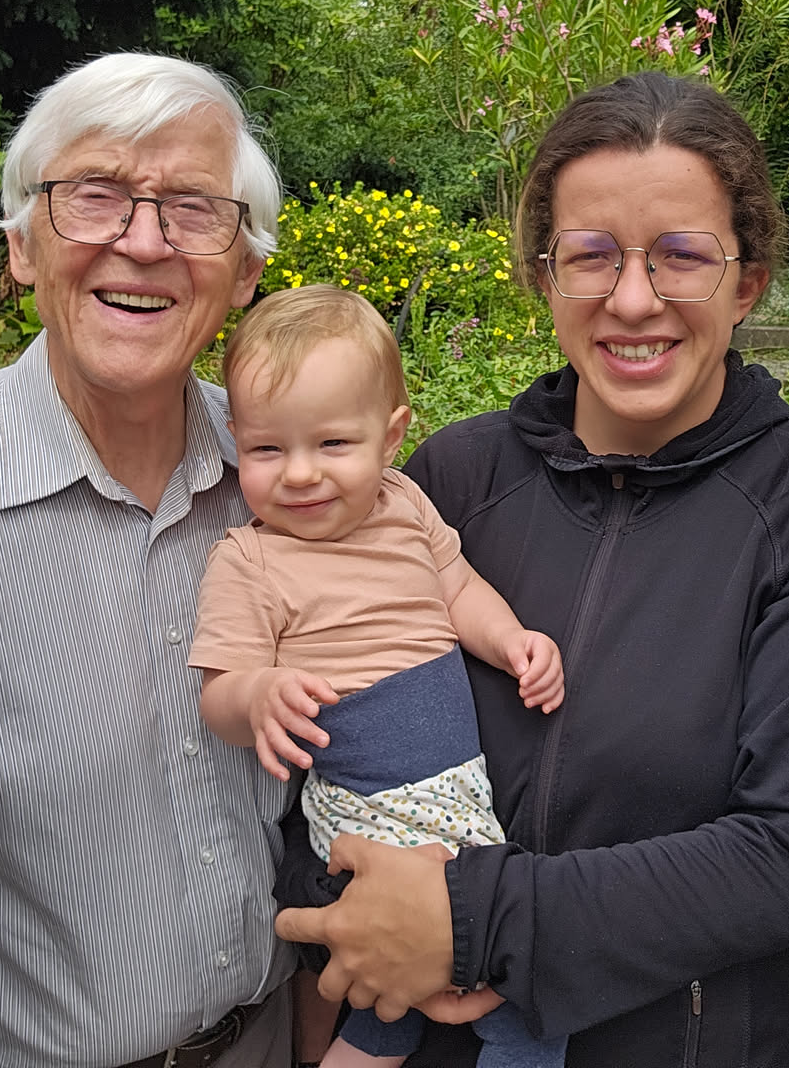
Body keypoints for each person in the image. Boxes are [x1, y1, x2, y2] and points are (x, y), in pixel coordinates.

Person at [275, 71, 789, 1066]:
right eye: (591, 256)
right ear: (545, 277)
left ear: (748, 282)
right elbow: (326, 726)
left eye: (681, 257)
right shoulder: (448, 483)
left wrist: (471, 921)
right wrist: (344, 905)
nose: (632, 300)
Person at [0, 52, 299, 1068]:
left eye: (193, 208)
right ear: (22, 246)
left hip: (282, 1039)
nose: (143, 243)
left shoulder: (295, 486)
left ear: (244, 273)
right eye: (95, 196)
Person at [192, 285, 567, 1068]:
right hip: (365, 805)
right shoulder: (249, 559)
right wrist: (256, 695)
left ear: (391, 436)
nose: (300, 474)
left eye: (332, 444)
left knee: (445, 985)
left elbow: (458, 588)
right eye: (267, 450)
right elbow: (219, 694)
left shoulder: (405, 505)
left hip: (452, 792)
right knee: (467, 981)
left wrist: (512, 641)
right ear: (236, 441)